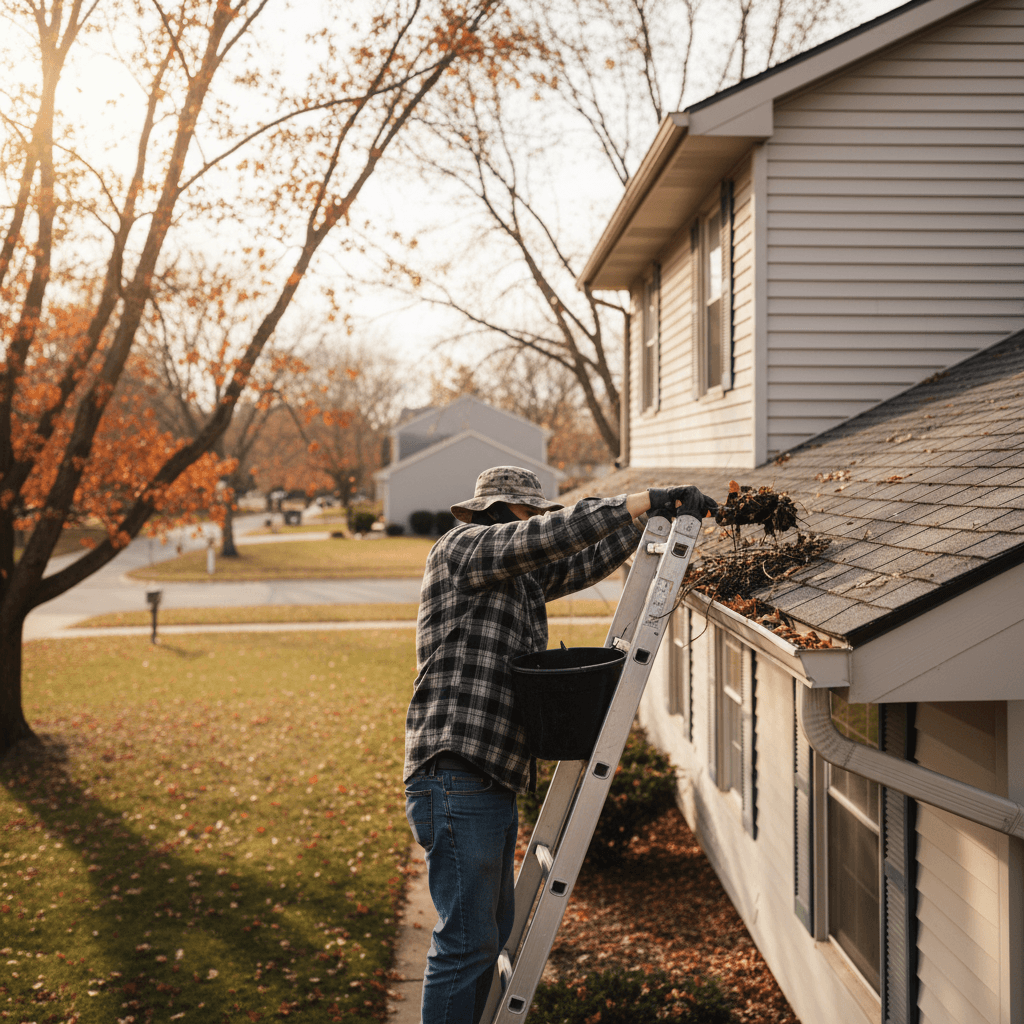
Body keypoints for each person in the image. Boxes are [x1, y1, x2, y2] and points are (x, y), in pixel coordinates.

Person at [403, 466, 717, 1024]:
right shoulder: (464, 551)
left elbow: (578, 560)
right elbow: (549, 539)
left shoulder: (517, 579)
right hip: (456, 772)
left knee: (489, 935)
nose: (539, 521)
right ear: (499, 511)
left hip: (489, 778)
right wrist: (640, 499)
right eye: (531, 512)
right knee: (467, 943)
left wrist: (655, 517)